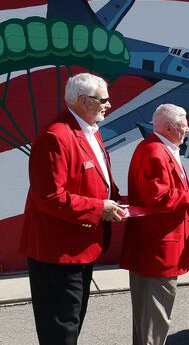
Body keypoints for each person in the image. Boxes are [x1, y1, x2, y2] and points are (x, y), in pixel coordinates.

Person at [19, 73, 126, 345]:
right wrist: (99, 208)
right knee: (61, 330)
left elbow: (98, 180)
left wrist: (119, 200)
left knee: (72, 322)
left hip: (81, 246)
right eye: (103, 99)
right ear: (83, 101)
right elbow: (50, 197)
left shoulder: (89, 130)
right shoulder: (55, 136)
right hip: (58, 252)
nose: (109, 105)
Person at [121, 104, 189, 345]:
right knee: (156, 316)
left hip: (153, 245)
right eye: (185, 125)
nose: (188, 130)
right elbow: (158, 197)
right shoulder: (156, 151)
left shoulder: (155, 148)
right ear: (171, 128)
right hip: (159, 247)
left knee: (145, 315)